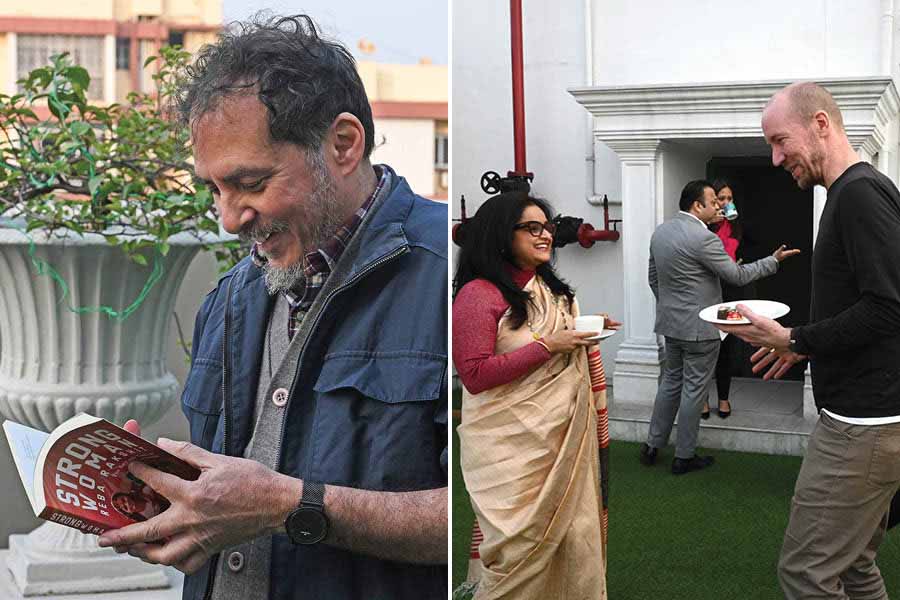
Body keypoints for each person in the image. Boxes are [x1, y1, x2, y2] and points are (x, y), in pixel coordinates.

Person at [96, 15, 448, 600]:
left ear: (342, 144)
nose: (229, 218)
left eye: (250, 183)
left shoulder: (445, 276)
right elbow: (233, 491)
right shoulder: (229, 299)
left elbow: (478, 515)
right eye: (214, 188)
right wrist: (167, 498)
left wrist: (292, 506)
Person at [717, 81, 900, 600]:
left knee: (806, 573)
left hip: (862, 430)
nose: (775, 159)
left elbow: (889, 306)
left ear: (821, 124)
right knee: (856, 565)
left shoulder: (859, 194)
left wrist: (795, 337)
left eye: (780, 141)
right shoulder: (853, 193)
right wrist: (802, 345)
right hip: (871, 423)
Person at [452, 192, 618, 599]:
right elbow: (473, 375)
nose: (545, 235)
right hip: (507, 446)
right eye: (532, 228)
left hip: (562, 433)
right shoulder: (478, 294)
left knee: (573, 533)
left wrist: (584, 332)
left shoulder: (551, 290)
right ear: (501, 234)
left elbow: (553, 337)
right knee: (515, 547)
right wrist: (549, 345)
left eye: (547, 227)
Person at [641, 180, 798, 475]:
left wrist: (671, 306)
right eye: (714, 201)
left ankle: (652, 446)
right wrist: (773, 261)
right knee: (693, 389)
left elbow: (653, 277)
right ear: (697, 205)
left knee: (671, 382)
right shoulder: (704, 239)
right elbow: (737, 276)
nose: (719, 206)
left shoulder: (661, 232)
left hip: (670, 324)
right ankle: (683, 457)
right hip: (700, 328)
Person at [702, 179, 745, 419]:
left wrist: (740, 263)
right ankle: (703, 400)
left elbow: (744, 250)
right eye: (721, 198)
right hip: (708, 290)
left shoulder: (737, 225)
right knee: (707, 347)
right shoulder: (703, 228)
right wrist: (710, 224)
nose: (726, 203)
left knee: (726, 345)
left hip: (730, 290)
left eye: (729, 198)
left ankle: (724, 399)